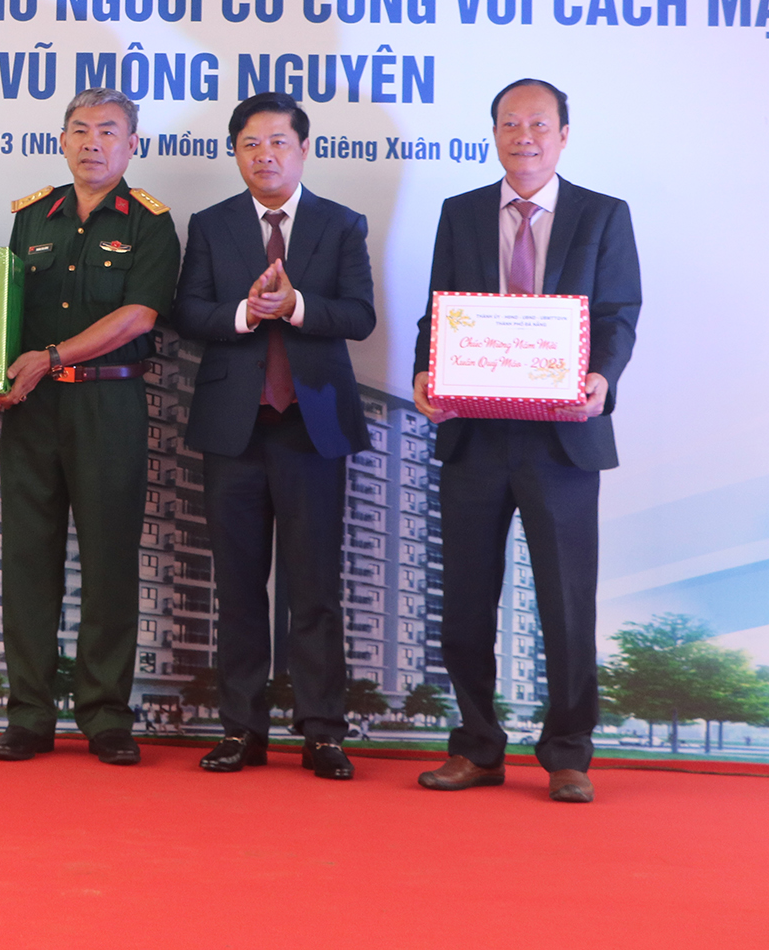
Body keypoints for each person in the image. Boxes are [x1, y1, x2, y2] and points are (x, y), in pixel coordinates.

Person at [411, 79, 640, 804]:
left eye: (539, 123)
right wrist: (424, 374)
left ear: (564, 134)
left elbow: (619, 312)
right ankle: (477, 746)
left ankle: (568, 751)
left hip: (563, 438)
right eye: (510, 123)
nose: (525, 135)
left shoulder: (603, 215)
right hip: (474, 434)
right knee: (467, 605)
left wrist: (602, 375)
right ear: (494, 133)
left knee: (566, 603)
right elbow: (437, 312)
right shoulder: (460, 213)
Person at [172, 91, 375, 778]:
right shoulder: (211, 224)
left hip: (312, 428)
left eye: (278, 142)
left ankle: (322, 731)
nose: (265, 155)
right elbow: (188, 311)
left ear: (304, 148)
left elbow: (360, 315)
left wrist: (297, 306)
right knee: (237, 588)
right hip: (235, 429)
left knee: (313, 588)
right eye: (250, 144)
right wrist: (244, 314)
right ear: (235, 152)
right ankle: (241, 729)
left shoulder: (341, 224)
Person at [0, 88, 181, 767]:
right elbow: (2, 310)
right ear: (60, 139)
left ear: (133, 144)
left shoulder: (152, 223)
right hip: (34, 412)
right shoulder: (31, 217)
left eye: (108, 131)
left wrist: (53, 356)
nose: (92, 142)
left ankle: (105, 716)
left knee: (108, 565)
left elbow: (139, 316)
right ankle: (29, 714)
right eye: (80, 129)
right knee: (28, 565)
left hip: (109, 407)